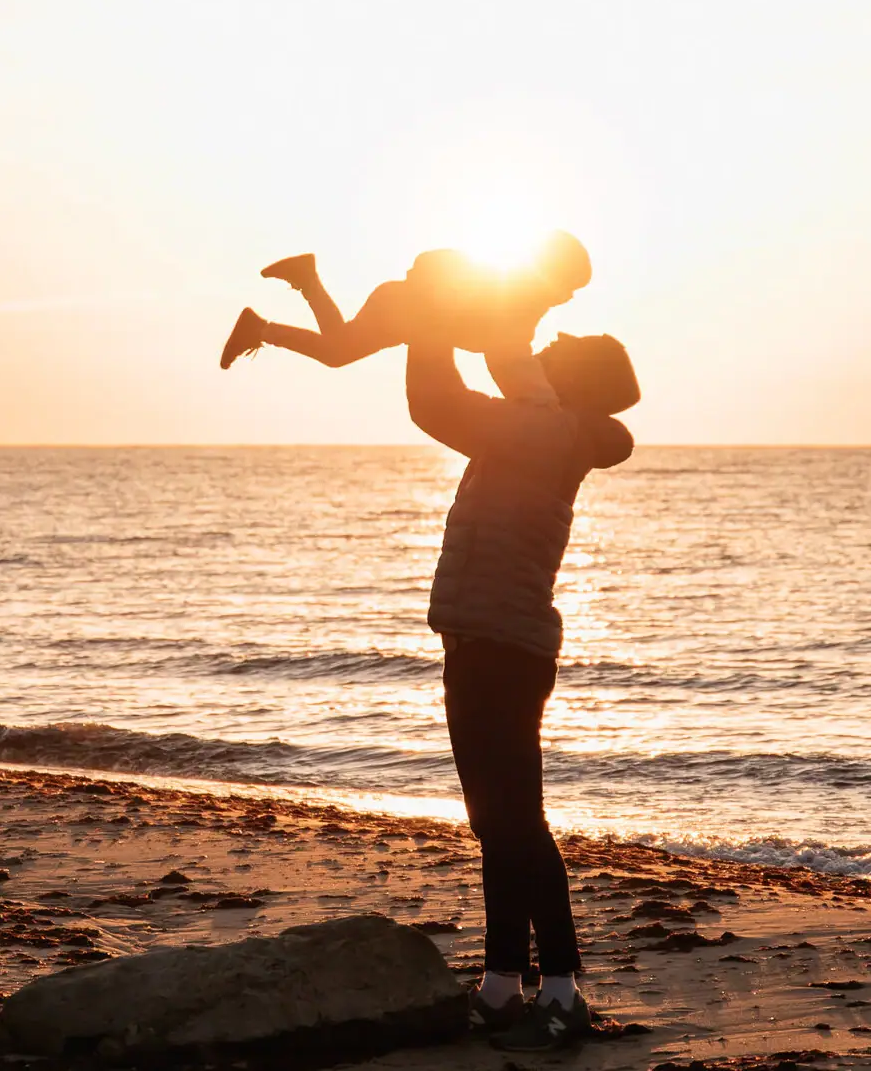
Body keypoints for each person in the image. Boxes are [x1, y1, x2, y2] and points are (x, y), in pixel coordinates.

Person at [404, 327, 639, 1051]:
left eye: (558, 349)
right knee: (494, 826)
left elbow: (452, 389)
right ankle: (503, 985)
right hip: (478, 644)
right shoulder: (526, 431)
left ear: (568, 381)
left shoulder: (548, 433)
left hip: (502, 652)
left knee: (517, 825)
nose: (545, 348)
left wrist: (434, 319)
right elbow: (466, 386)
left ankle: (563, 990)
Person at [218, 231, 591, 399]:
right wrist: (538, 404)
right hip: (400, 308)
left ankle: (299, 287)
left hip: (399, 307)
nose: (569, 297)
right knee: (338, 351)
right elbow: (506, 361)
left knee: (338, 349)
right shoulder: (516, 294)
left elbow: (509, 356)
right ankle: (271, 317)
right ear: (554, 275)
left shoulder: (522, 302)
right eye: (570, 287)